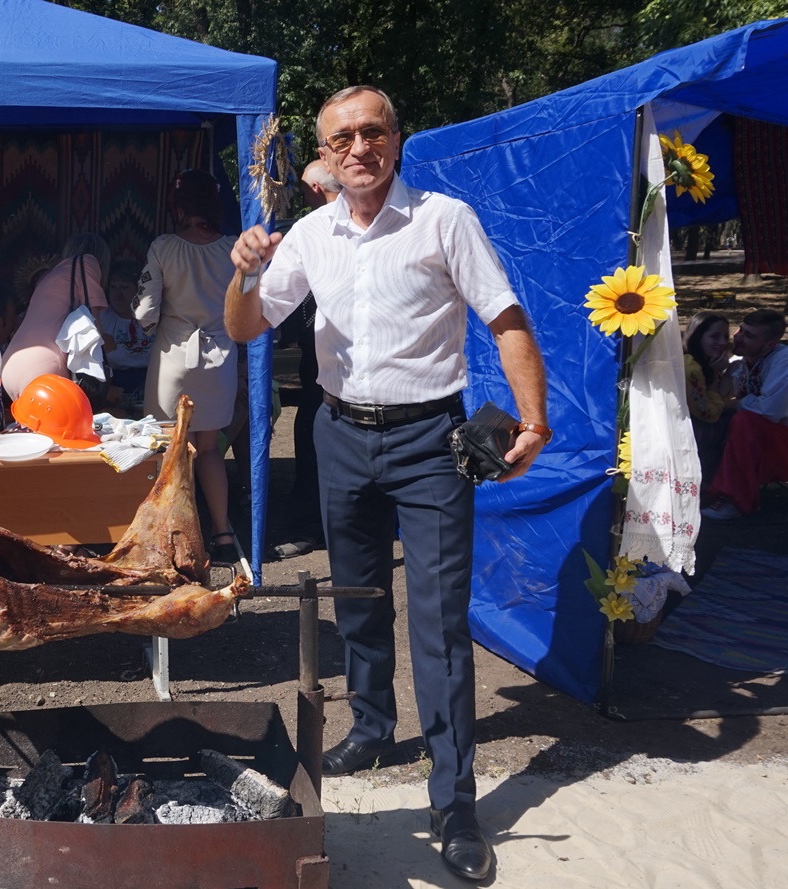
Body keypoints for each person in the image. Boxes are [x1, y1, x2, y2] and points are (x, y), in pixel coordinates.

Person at [224, 86, 547, 883]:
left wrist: (534, 422)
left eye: (372, 132)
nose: (358, 148)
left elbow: (506, 319)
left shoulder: (444, 220)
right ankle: (372, 727)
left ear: (397, 140)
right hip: (338, 435)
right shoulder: (309, 234)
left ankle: (454, 802)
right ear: (325, 155)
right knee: (358, 596)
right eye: (342, 139)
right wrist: (243, 274)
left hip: (431, 440)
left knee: (439, 622)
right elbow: (245, 325)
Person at [134, 169, 241, 563]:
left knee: (172, 451)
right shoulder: (233, 247)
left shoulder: (164, 247)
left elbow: (145, 312)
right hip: (219, 360)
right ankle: (222, 532)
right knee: (210, 449)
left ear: (177, 207)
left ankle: (175, 535)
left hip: (174, 358)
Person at [701, 309, 788, 519]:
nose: (738, 338)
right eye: (741, 330)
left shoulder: (786, 359)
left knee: (744, 420)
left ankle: (734, 500)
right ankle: (706, 486)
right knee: (712, 419)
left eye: (749, 335)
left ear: (770, 344)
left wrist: (733, 405)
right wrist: (716, 374)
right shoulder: (740, 361)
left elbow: (771, 411)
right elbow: (718, 403)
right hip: (771, 441)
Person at [273, 160, 341, 559]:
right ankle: (318, 524)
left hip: (325, 362)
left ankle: (310, 526)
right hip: (324, 360)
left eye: (301, 189)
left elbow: (306, 302)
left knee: (315, 443)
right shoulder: (322, 229)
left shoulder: (319, 231)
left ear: (314, 188)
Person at [1, 234, 110, 400]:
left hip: (10, 367)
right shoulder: (87, 262)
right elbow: (95, 332)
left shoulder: (49, 276)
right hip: (46, 369)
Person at [683, 311, 737, 480]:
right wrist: (720, 376)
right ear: (697, 337)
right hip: (690, 431)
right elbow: (709, 414)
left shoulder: (707, 361)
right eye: (714, 336)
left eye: (725, 336)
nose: (722, 342)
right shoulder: (692, 369)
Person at [97, 261, 152, 411]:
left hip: (152, 381)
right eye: (113, 287)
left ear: (138, 290)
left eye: (124, 287)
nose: (118, 293)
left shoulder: (153, 317)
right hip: (114, 386)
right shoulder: (101, 319)